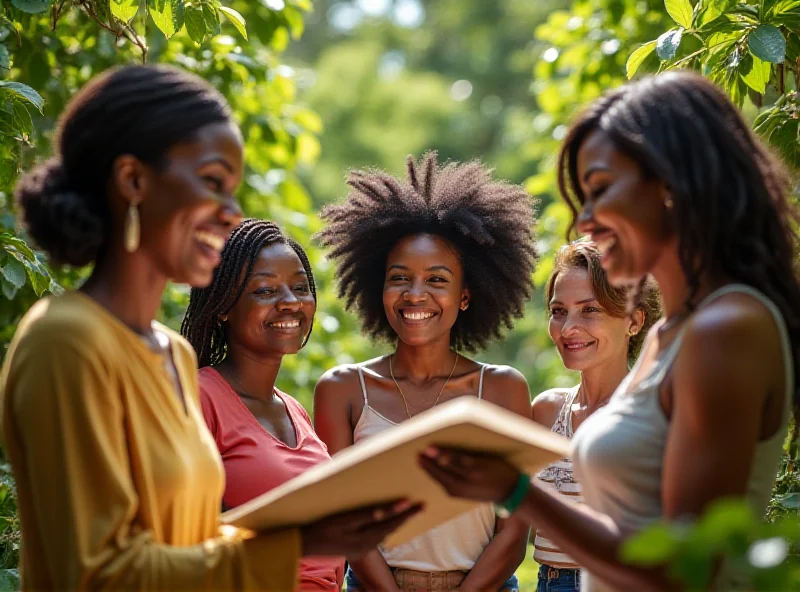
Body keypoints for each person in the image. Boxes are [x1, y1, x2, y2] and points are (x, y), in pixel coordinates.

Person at [0, 65, 419, 591]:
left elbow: (190, 545)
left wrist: (327, 532)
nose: (230, 213)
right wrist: (298, 543)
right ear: (134, 180)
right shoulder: (65, 342)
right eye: (213, 183)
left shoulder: (172, 354)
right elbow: (94, 574)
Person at [418, 71, 799, 592]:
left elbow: (687, 566)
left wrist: (515, 492)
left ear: (670, 183)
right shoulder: (672, 334)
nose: (585, 220)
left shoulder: (726, 329)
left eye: (598, 191)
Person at [314, 152, 538, 592]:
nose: (415, 295)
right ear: (379, 288)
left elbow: (515, 528)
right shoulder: (343, 390)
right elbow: (342, 517)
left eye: (437, 280)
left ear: (466, 296)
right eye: (400, 277)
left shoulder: (502, 389)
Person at [181, 218, 345, 591]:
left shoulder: (294, 410)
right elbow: (183, 535)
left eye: (300, 287)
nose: (290, 302)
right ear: (223, 306)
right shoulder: (196, 398)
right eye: (265, 290)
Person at [532, 240, 660, 592]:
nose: (568, 328)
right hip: (547, 582)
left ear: (634, 321)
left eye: (590, 311)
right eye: (558, 311)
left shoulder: (649, 415)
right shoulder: (545, 411)